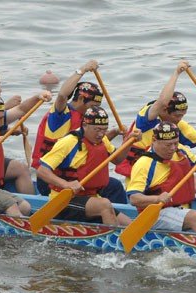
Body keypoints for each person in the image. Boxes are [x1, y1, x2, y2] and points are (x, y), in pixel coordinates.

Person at [114, 61, 196, 210]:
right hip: (144, 175)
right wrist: (176, 73)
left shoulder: (176, 124)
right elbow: (163, 101)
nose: (180, 119)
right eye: (177, 115)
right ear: (164, 111)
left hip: (166, 171)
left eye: (183, 115)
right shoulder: (147, 120)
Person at [31, 60, 127, 203]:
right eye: (93, 105)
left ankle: (118, 218)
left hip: (78, 175)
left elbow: (93, 145)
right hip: (51, 178)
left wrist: (115, 133)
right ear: (81, 98)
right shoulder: (61, 115)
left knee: (115, 186)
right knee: (111, 188)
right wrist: (82, 70)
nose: (94, 110)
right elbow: (63, 95)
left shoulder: (87, 119)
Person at [35, 107, 135, 226]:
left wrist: (130, 141)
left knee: (129, 223)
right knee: (105, 205)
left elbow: (118, 160)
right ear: (84, 125)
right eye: (97, 129)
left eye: (104, 130)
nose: (101, 134)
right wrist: (66, 184)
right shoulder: (69, 142)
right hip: (63, 200)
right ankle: (112, 239)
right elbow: (41, 170)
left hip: (90, 197)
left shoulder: (102, 140)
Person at [126, 122, 196, 234]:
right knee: (193, 216)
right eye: (168, 145)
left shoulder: (180, 150)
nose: (173, 148)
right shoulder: (144, 164)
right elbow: (134, 199)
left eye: (175, 143)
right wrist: (157, 199)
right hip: (153, 215)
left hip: (178, 209)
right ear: (154, 141)